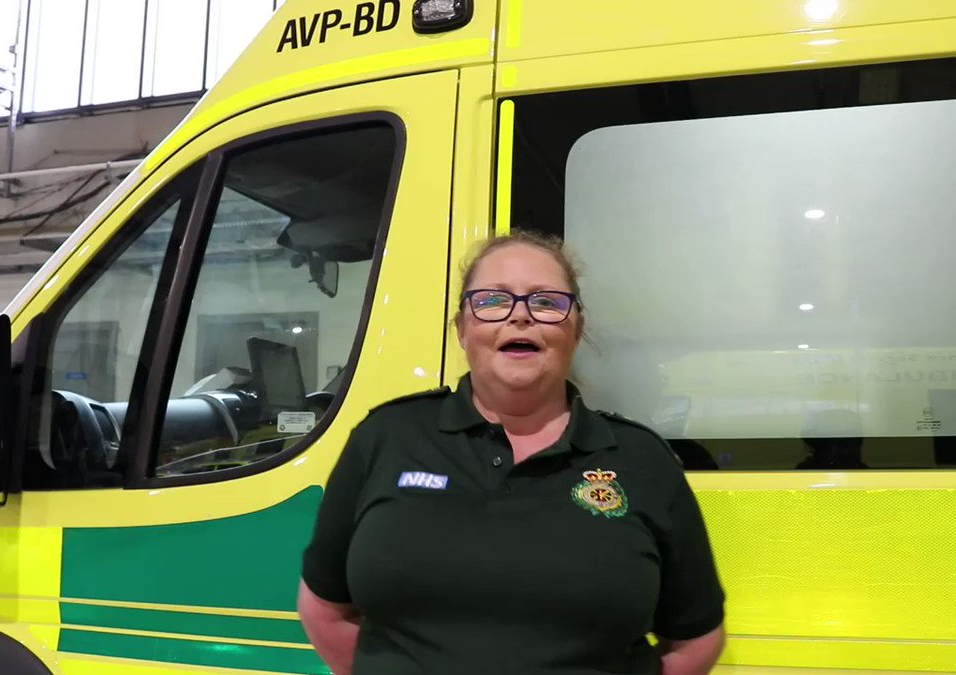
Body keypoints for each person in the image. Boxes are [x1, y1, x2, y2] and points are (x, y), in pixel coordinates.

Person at [298, 231, 726, 675]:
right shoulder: (385, 438)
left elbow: (695, 638)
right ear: (462, 329)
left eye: (546, 302)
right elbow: (324, 611)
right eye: (492, 300)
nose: (520, 316)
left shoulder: (642, 460)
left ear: (576, 330)